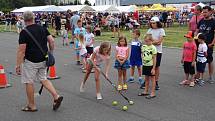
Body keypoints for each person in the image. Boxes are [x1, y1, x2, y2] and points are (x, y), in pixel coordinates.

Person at [16, 11, 63, 112]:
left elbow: (21, 50)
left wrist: (18, 65)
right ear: (33, 18)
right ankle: (56, 96)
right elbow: (52, 41)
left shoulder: (24, 32)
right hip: (43, 59)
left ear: (24, 20)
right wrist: (50, 52)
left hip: (31, 61)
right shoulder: (42, 28)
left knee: (28, 81)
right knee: (43, 79)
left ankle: (31, 105)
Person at [143, 16, 165, 90]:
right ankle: (146, 81)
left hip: (158, 51)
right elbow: (147, 40)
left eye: (154, 23)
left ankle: (156, 82)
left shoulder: (161, 30)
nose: (153, 24)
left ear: (157, 23)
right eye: (151, 23)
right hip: (149, 51)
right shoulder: (150, 30)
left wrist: (151, 41)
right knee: (148, 65)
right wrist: (152, 41)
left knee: (156, 67)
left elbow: (159, 42)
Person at [195, 6, 215, 84]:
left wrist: (212, 43)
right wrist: (195, 37)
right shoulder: (201, 21)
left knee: (209, 60)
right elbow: (197, 31)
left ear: (210, 12)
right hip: (199, 45)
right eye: (203, 12)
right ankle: (198, 75)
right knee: (199, 60)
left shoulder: (213, 21)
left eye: (206, 12)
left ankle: (210, 76)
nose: (204, 13)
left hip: (208, 45)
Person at [138, 34, 157, 99]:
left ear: (151, 41)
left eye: (148, 41)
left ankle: (153, 93)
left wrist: (153, 68)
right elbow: (142, 53)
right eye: (145, 41)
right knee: (146, 79)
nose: (147, 42)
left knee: (152, 79)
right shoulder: (143, 47)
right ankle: (145, 91)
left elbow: (154, 59)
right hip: (145, 65)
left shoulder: (153, 48)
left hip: (151, 66)